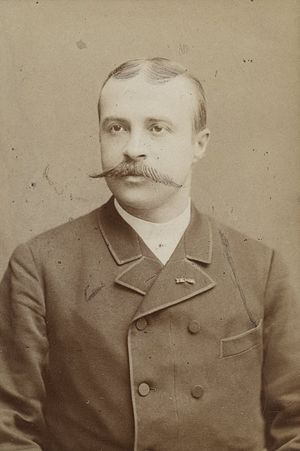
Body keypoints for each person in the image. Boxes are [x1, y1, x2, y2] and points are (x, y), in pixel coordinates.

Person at [0, 57, 299, 451]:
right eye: (117, 128)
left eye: (157, 128)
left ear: (199, 144)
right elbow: (10, 430)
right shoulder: (40, 266)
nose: (133, 149)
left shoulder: (260, 267)